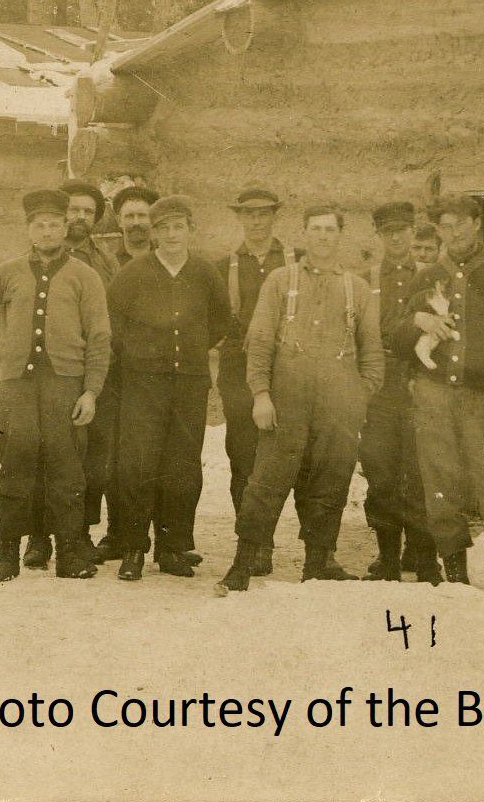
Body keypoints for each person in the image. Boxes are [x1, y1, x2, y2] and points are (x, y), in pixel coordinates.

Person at [217, 205, 384, 591]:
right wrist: (261, 394)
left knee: (331, 479)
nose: (323, 236)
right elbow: (259, 343)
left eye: (330, 229)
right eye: (316, 229)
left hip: (337, 401)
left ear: (340, 235)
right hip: (287, 396)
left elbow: (372, 352)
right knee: (267, 478)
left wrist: (359, 397)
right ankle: (243, 562)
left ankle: (318, 562)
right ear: (304, 234)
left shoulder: (356, 288)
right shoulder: (280, 280)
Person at [393, 194, 484, 594]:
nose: (453, 233)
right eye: (445, 226)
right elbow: (397, 337)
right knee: (441, 488)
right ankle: (456, 582)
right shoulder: (426, 278)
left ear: (477, 224)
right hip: (434, 397)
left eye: (460, 224)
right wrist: (416, 320)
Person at [0, 190, 112, 584]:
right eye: (39, 224)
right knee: (16, 465)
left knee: (68, 469)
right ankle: (7, 554)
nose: (47, 230)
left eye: (54, 223)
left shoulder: (86, 277)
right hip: (18, 386)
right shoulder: (9, 271)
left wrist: (91, 391)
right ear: (29, 229)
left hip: (66, 387)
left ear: (65, 228)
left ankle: (69, 551)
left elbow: (100, 336)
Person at [108, 196, 233, 581]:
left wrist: (192, 351)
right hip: (143, 383)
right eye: (164, 228)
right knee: (139, 463)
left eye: (179, 227)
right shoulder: (133, 274)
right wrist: (144, 355)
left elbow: (220, 321)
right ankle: (133, 549)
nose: (172, 235)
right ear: (154, 233)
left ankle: (173, 547)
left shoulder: (205, 272)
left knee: (182, 464)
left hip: (190, 382)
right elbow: (114, 324)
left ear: (190, 230)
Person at [359, 201, 440, 583]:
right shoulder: (366, 278)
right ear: (379, 235)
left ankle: (425, 559)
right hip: (380, 382)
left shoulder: (432, 275)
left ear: (413, 232)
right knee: (382, 471)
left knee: (422, 470)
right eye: (388, 231)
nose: (396, 238)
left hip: (421, 378)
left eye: (402, 230)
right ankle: (388, 558)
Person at [217, 184, 294, 577]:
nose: (257, 220)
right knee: (243, 457)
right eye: (249, 214)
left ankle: (280, 537)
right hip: (239, 372)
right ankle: (254, 543)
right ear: (240, 218)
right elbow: (214, 319)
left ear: (275, 216)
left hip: (287, 371)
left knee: (283, 456)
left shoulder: (294, 260)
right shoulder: (227, 264)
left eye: (264, 213)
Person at [60, 178, 123, 562]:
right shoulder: (41, 253)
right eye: (73, 210)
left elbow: (113, 311)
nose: (80, 218)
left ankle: (81, 531)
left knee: (95, 456)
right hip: (55, 369)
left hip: (97, 371)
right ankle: (39, 535)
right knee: (52, 454)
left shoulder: (105, 259)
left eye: (88, 211)